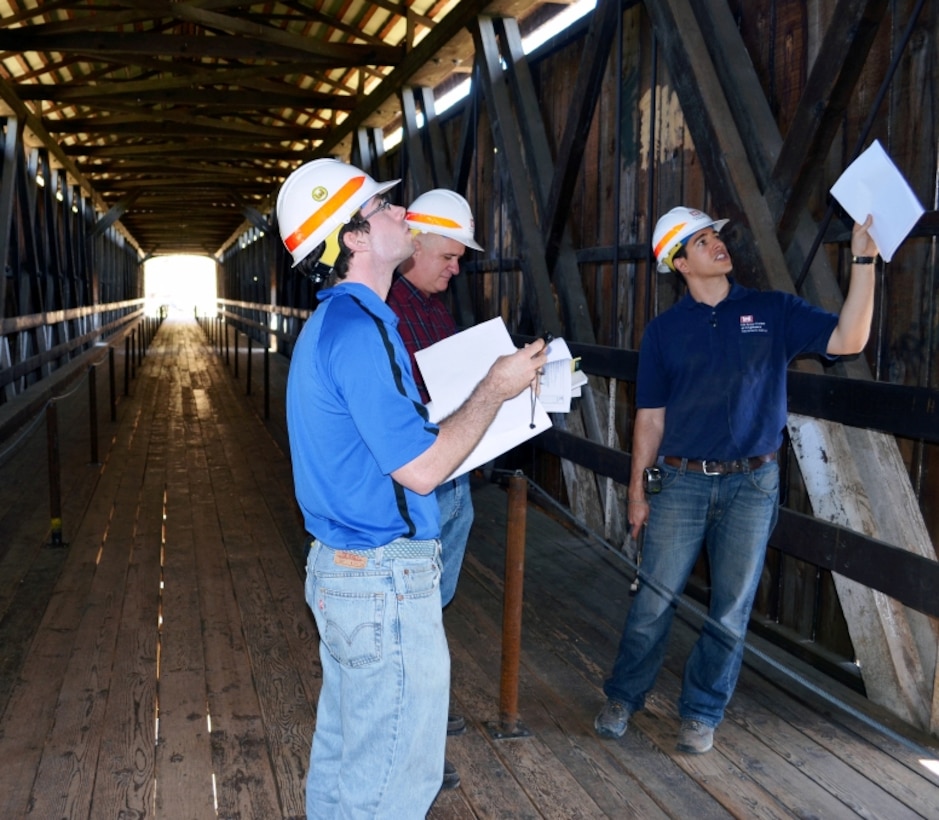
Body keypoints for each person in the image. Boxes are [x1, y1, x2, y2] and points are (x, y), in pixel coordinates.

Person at [278, 158, 547, 819]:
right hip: (381, 581)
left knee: (346, 766)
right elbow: (422, 470)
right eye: (382, 208)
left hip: (346, 572)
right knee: (392, 784)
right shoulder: (360, 329)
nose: (401, 214)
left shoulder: (338, 324)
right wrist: (496, 387)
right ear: (353, 237)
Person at [595, 205, 878, 755]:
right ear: (678, 263)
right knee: (654, 600)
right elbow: (649, 417)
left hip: (753, 485)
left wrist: (864, 258)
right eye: (700, 242)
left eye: (714, 237)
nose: (716, 244)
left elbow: (849, 340)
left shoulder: (772, 311)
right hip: (679, 484)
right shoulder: (664, 332)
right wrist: (636, 492)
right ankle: (624, 696)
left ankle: (701, 710)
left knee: (730, 608)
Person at [385, 190, 482, 778]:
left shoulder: (434, 307)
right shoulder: (384, 307)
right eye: (448, 256)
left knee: (430, 603)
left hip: (453, 473)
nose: (455, 267)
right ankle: (411, 740)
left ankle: (421, 699)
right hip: (416, 476)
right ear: (413, 245)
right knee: (407, 606)